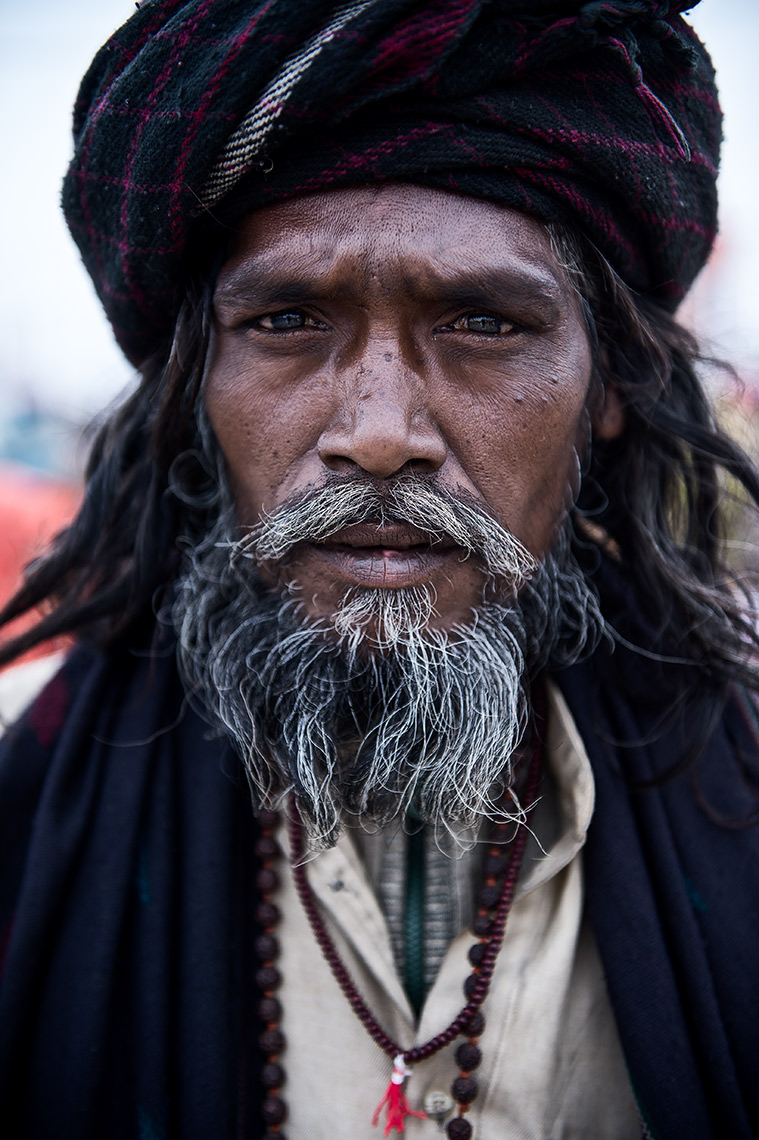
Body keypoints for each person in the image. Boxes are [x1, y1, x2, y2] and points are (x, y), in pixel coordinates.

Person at [0, 1, 757, 1137]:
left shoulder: (741, 777)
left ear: (606, 390)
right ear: (192, 387)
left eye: (487, 324)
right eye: (289, 318)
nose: (381, 432)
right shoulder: (21, 778)